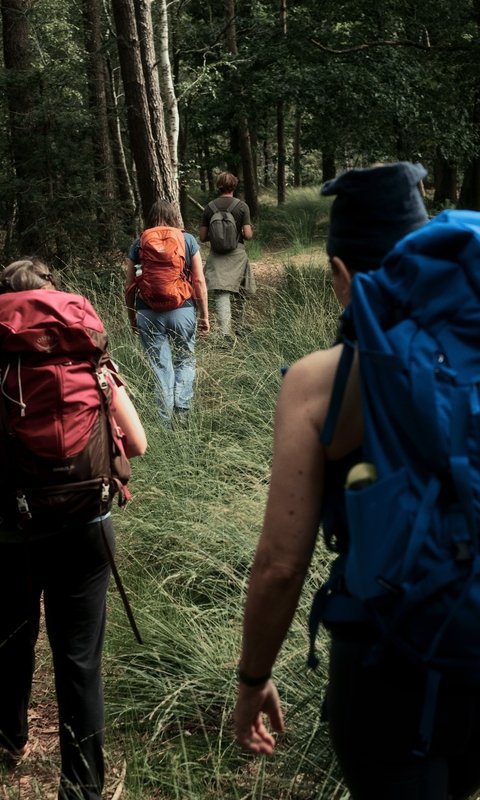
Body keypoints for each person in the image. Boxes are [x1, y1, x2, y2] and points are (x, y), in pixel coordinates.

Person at [233, 163, 480, 800]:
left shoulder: (317, 382)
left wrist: (252, 676)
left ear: (341, 275)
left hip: (385, 660)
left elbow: (281, 565)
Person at [0, 258, 147, 800]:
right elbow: (138, 444)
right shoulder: (89, 357)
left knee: (10, 640)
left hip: (12, 529)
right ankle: (81, 786)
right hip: (87, 524)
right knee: (79, 657)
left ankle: (9, 737)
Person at [125, 199, 210, 426]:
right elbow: (199, 281)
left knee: (160, 366)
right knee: (185, 360)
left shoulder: (139, 242)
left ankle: (164, 421)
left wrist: (132, 315)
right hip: (182, 309)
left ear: (150, 218)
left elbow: (129, 285)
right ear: (174, 216)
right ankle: (182, 414)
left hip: (147, 310)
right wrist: (204, 316)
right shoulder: (187, 240)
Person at [199, 172, 255, 343]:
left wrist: (218, 236)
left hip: (217, 255)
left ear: (219, 186)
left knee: (221, 292)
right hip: (237, 253)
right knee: (240, 291)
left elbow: (202, 236)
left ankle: (225, 334)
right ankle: (239, 326)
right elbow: (247, 234)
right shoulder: (242, 206)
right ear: (234, 186)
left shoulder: (209, 207)